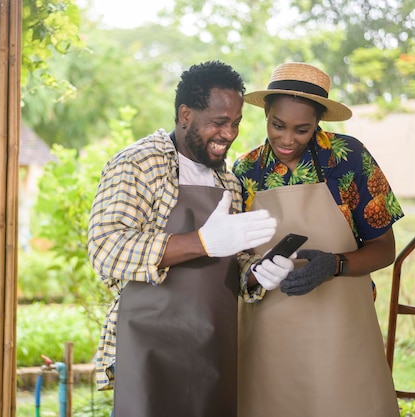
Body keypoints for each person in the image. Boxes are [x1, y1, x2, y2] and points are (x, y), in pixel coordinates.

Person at [87, 61, 295, 417]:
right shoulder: (137, 165)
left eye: (235, 123)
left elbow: (233, 261)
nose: (229, 134)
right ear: (185, 114)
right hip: (149, 347)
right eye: (218, 122)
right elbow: (107, 249)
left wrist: (259, 272)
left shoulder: (228, 181)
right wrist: (200, 242)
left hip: (213, 348)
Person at [233, 62, 404, 417]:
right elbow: (236, 259)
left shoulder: (350, 158)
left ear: (318, 123)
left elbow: (385, 248)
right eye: (277, 125)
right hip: (269, 335)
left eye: (302, 129)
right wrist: (255, 269)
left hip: (340, 330)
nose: (287, 139)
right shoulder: (246, 170)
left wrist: (335, 264)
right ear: (266, 112)